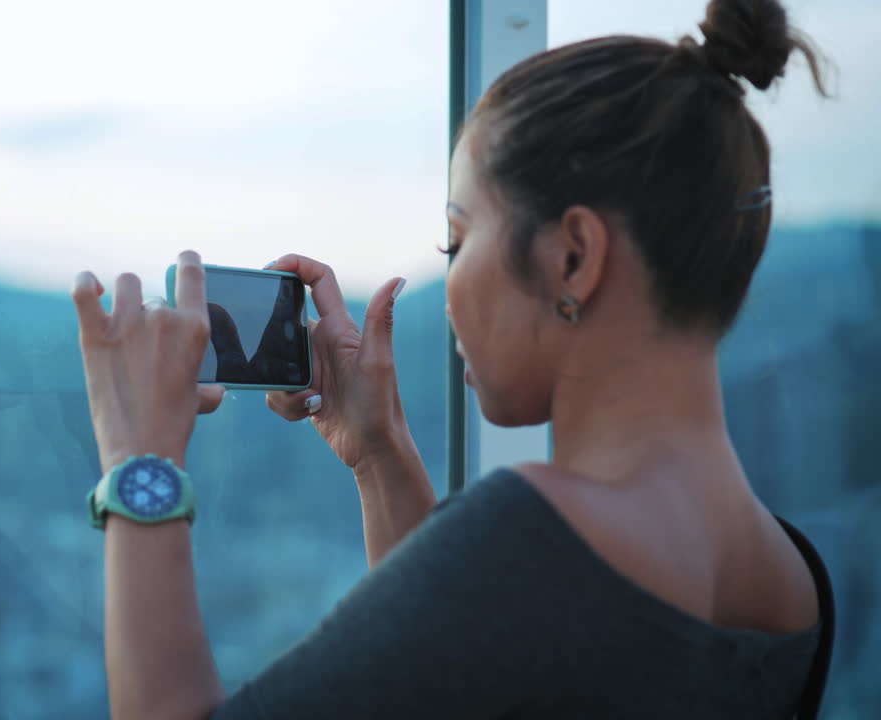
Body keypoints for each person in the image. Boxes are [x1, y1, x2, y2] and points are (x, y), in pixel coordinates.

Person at [69, 0, 834, 716]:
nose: (448, 291)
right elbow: (464, 675)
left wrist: (141, 462)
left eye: (458, 240)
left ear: (574, 257)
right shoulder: (794, 578)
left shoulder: (534, 537)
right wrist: (379, 453)